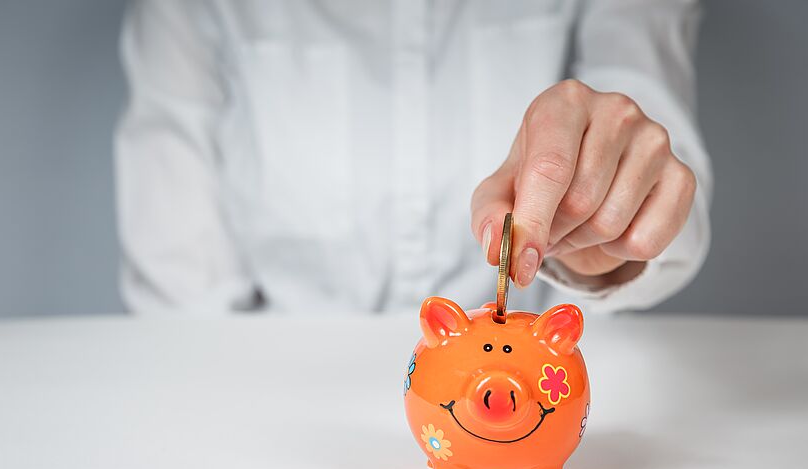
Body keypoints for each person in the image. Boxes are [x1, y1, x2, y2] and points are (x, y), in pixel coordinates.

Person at [115, 0, 711, 314]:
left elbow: (663, 169)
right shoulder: (190, 9)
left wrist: (608, 227)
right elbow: (182, 300)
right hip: (274, 403)